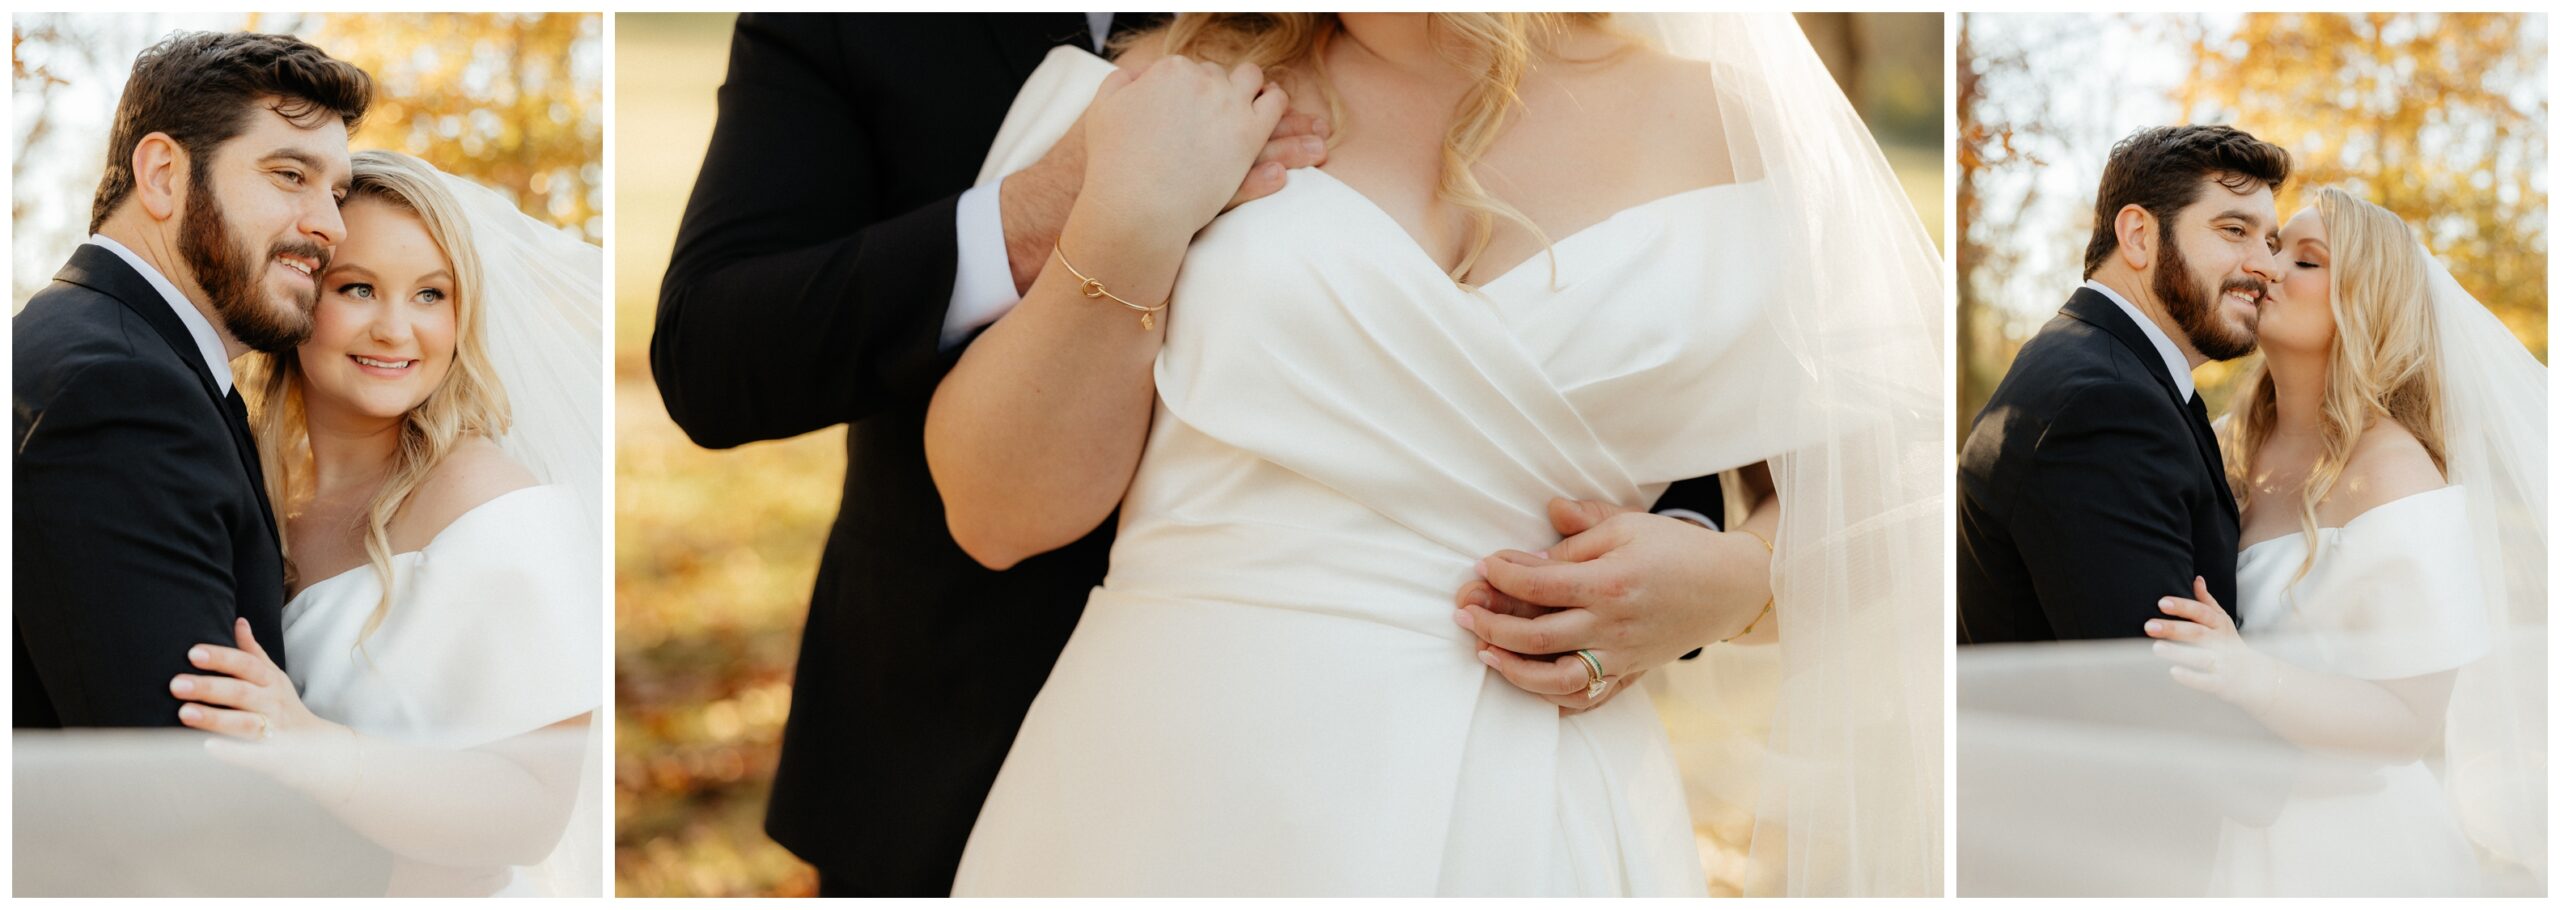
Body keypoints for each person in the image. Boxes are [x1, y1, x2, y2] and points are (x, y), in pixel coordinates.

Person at [648, 13, 1734, 894]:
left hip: (1513, 778)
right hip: (1008, 737)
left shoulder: (1693, 116)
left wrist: (1712, 570)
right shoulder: (1170, 66)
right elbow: (716, 347)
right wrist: (1068, 203)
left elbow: (1645, 409)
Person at [932, 12, 1942, 895]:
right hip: (1164, 790)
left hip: (1536, 806)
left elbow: (1891, 490)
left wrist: (1742, 581)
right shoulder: (1167, 90)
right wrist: (1127, 221)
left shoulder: (1740, 134)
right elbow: (996, 509)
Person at [160, 149, 602, 896]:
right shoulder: (257, 503)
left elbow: (532, 816)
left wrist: (311, 748)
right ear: (301, 295)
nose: (396, 330)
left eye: (432, 294)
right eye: (358, 288)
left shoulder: (498, 507)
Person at [2141, 186, 2545, 895]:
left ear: (2364, 301)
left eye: (2307, 260)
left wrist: (2249, 675)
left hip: (2349, 858)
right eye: (2272, 249)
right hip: (2221, 832)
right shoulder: (2229, 442)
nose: (2266, 269)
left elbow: (2408, 722)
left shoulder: (2398, 475)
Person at [15, 30, 370, 729]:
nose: (331, 226)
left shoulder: (90, 342)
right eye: (291, 175)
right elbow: (175, 780)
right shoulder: (119, 393)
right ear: (163, 175)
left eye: (337, 193)